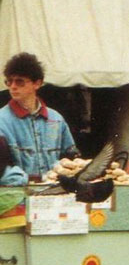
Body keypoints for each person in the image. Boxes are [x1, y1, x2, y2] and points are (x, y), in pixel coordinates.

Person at [0, 52, 77, 181]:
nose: (13, 86)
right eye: (9, 81)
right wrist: (39, 179)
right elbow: (2, 171)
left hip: (55, 195)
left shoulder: (57, 120)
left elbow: (71, 160)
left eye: (20, 82)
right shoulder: (1, 121)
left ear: (37, 84)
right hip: (16, 197)